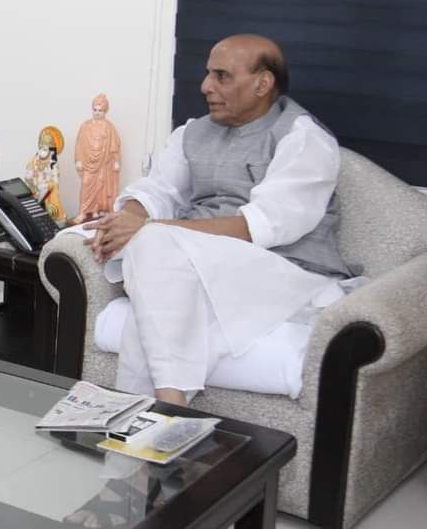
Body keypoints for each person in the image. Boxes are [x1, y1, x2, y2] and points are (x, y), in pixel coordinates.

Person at [84, 34, 350, 406]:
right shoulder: (193, 132)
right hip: (205, 263)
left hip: (287, 270)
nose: (206, 86)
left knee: (151, 244)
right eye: (208, 74)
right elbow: (159, 189)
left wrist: (148, 230)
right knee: (147, 249)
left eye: (222, 76)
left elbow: (263, 225)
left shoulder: (303, 138)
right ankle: (161, 417)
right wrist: (129, 217)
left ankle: (161, 409)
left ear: (263, 83)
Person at [73, 94, 122, 224]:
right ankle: (83, 212)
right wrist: (78, 160)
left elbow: (115, 146)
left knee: (101, 188)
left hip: (103, 164)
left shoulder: (109, 127)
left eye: (100, 110)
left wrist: (116, 161)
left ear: (105, 111)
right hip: (89, 163)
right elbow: (79, 144)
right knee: (86, 185)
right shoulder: (85, 126)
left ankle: (96, 210)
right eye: (95, 110)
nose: (97, 113)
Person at [24, 125, 65, 222]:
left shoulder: (53, 164)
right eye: (41, 147)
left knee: (49, 192)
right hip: (35, 187)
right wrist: (32, 181)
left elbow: (55, 181)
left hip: (48, 191)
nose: (42, 151)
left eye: (45, 149)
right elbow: (28, 174)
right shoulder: (35, 160)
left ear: (52, 151)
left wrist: (47, 185)